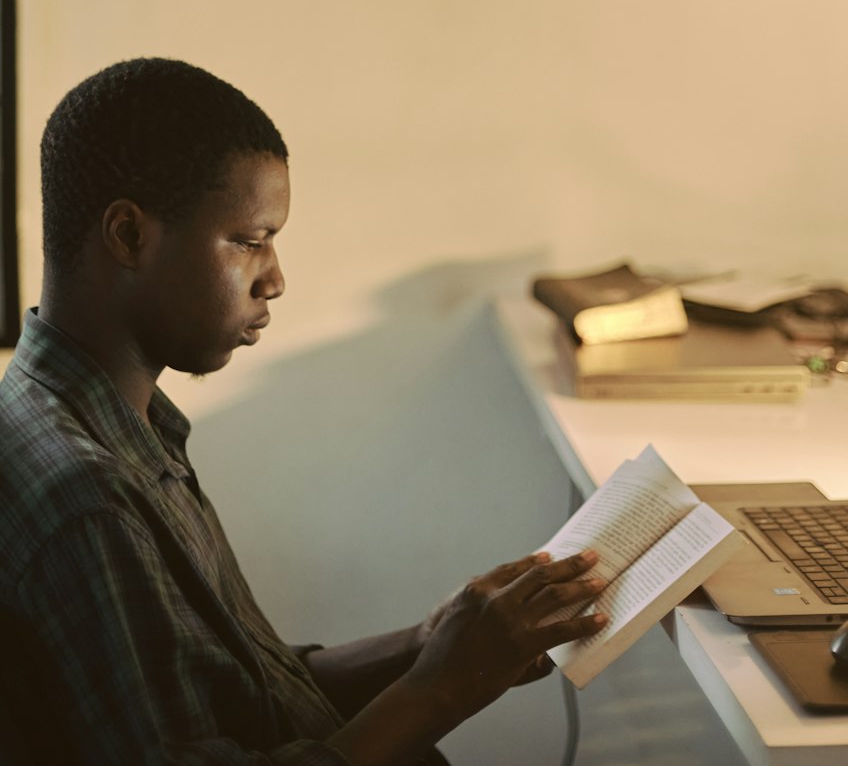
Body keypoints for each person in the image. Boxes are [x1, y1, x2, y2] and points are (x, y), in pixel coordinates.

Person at [0, 58, 607, 765]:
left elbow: (248, 692)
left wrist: (430, 641)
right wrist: (444, 686)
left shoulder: (107, 423)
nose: (275, 278)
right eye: (249, 241)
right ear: (130, 236)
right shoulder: (92, 501)